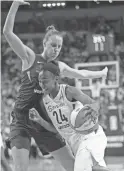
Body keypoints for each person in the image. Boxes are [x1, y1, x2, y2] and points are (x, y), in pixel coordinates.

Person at [3, 1, 108, 171]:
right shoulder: (30, 57)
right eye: (53, 45)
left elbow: (81, 74)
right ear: (44, 43)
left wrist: (100, 74)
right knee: (20, 169)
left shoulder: (59, 68)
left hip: (44, 123)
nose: (56, 49)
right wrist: (14, 4)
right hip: (22, 119)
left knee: (75, 167)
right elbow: (7, 33)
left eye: (59, 46)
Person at [29, 62, 109, 171]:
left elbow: (94, 103)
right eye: (40, 81)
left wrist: (94, 109)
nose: (42, 84)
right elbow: (57, 130)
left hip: (88, 136)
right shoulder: (45, 100)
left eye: (45, 81)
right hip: (75, 144)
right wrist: (40, 120)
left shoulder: (69, 91)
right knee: (96, 168)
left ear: (56, 79)